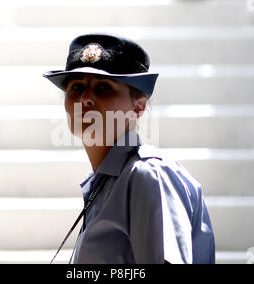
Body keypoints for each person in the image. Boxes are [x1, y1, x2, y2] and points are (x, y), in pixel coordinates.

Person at [43, 34, 215, 264]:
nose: (85, 98)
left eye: (103, 87)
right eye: (76, 87)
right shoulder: (105, 181)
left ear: (138, 106)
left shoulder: (148, 175)